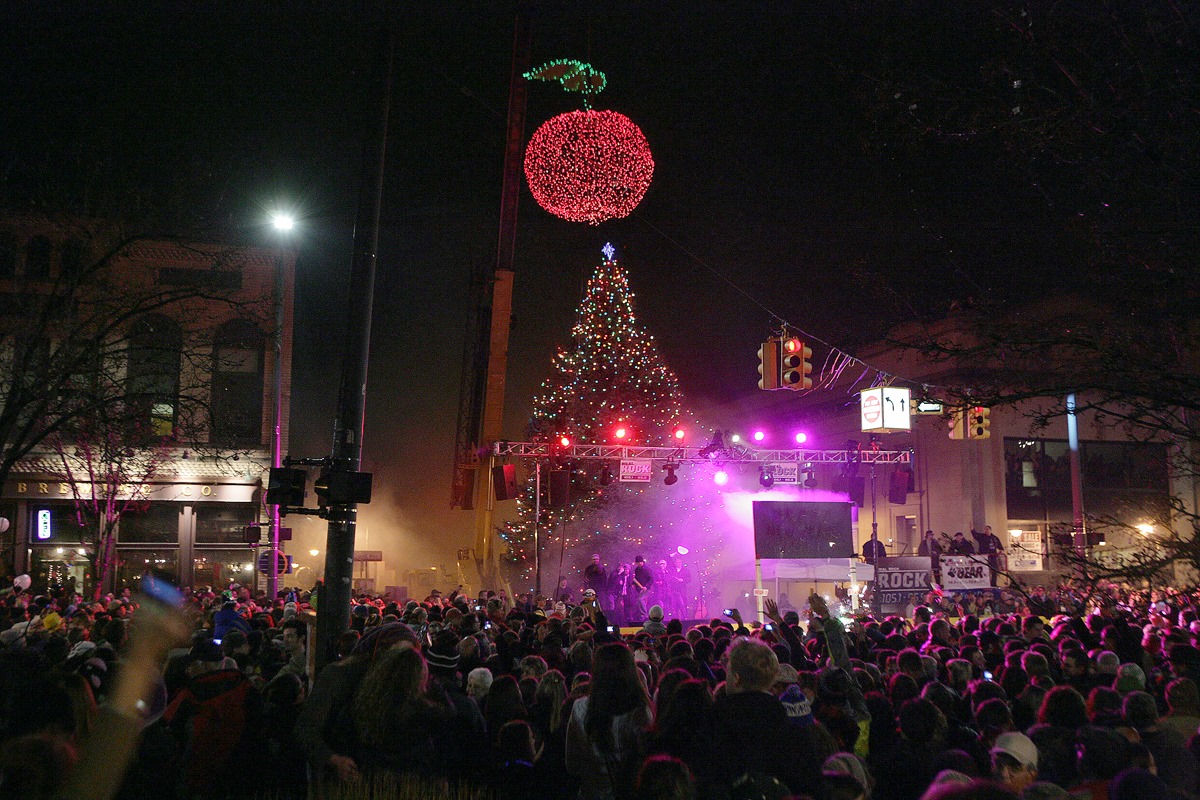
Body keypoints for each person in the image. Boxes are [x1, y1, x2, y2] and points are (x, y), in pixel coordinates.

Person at [566, 642, 654, 800]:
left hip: (591, 793)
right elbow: (647, 764)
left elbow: (572, 764)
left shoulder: (580, 707)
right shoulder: (639, 712)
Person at [632, 556, 655, 623]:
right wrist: (633, 583)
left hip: (648, 589)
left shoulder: (647, 569)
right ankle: (643, 615)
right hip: (640, 589)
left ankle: (644, 615)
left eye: (640, 562)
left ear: (642, 562)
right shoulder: (637, 570)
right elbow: (636, 578)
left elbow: (652, 579)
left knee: (640, 599)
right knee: (640, 601)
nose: (639, 564)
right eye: (637, 563)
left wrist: (646, 586)